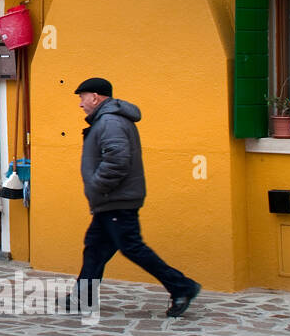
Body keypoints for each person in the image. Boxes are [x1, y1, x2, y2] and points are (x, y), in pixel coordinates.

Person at [72, 77, 201, 318]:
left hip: (115, 199)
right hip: (110, 200)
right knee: (95, 249)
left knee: (132, 247)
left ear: (95, 97)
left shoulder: (109, 122)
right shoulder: (107, 120)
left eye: (82, 98)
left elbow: (117, 161)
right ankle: (82, 297)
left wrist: (97, 185)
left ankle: (182, 287)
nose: (80, 104)